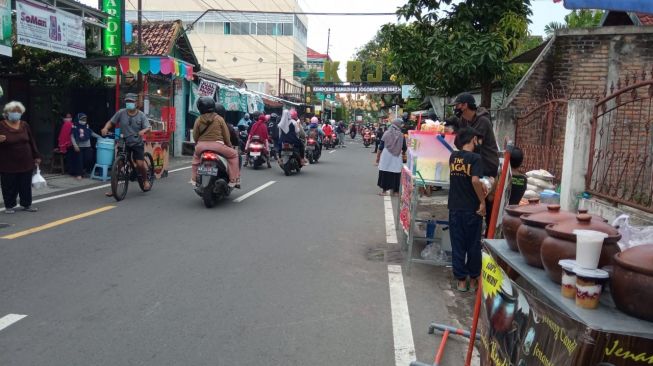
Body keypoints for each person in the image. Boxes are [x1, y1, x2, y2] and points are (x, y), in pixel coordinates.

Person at [452, 92, 500, 230]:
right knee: (474, 201)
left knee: (486, 201)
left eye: (457, 105)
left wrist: (462, 140)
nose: (455, 108)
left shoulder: (483, 121)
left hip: (487, 166)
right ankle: (474, 230)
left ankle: (488, 236)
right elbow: (459, 141)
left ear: (465, 105)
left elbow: (470, 144)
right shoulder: (463, 120)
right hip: (473, 164)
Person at [448, 127, 486, 292]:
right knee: (473, 245)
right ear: (472, 139)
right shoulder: (475, 158)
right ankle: (473, 279)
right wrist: (482, 202)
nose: (478, 142)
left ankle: (461, 281)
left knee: (458, 245)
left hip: (455, 208)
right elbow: (475, 181)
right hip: (472, 209)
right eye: (477, 139)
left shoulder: (453, 157)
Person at [101, 93, 152, 194]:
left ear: (136, 103)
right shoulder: (121, 113)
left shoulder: (141, 115)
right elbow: (111, 122)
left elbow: (148, 128)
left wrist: (143, 131)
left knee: (140, 164)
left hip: (137, 143)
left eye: (131, 102)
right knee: (118, 164)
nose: (129, 104)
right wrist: (106, 128)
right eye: (127, 102)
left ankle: (145, 180)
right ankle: (114, 189)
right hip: (123, 142)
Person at [0, 101, 41, 214]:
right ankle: (9, 205)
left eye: (18, 112)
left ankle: (26, 204)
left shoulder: (24, 125)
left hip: (26, 160)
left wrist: (36, 155)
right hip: (7, 162)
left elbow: (32, 141)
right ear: (7, 113)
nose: (16, 114)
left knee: (25, 184)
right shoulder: (1, 125)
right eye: (13, 111)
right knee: (9, 184)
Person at [190, 97, 240, 188]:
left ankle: (194, 179)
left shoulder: (198, 119)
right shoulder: (219, 119)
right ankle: (233, 180)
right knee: (234, 155)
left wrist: (198, 143)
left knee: (196, 159)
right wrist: (229, 145)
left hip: (201, 146)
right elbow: (226, 135)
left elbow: (195, 136)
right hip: (217, 146)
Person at [375, 119, 407, 196]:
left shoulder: (386, 133)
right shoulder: (401, 135)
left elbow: (381, 146)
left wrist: (378, 157)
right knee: (396, 172)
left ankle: (384, 191)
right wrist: (401, 151)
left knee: (385, 172)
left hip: (386, 155)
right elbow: (404, 148)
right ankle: (395, 192)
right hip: (397, 156)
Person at [70, 113, 100, 180]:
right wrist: (75, 145)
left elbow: (91, 133)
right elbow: (72, 136)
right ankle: (79, 174)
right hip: (79, 146)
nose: (84, 120)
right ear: (78, 119)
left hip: (87, 146)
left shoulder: (86, 126)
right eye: (82, 119)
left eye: (85, 119)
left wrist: (100, 137)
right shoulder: (74, 126)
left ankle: (84, 170)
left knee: (88, 158)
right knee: (79, 160)